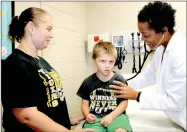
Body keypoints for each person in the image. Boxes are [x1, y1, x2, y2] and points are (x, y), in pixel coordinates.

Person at [1, 7, 95, 132]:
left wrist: (66, 120)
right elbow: (26, 115)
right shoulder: (16, 63)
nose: (52, 35)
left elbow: (47, 102)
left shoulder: (40, 61)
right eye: (48, 29)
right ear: (31, 27)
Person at [110, 1, 186, 131]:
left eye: (146, 35)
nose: (143, 40)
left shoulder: (182, 54)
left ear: (164, 30)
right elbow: (148, 77)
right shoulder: (161, 48)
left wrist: (137, 96)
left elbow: (174, 102)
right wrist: (119, 82)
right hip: (176, 119)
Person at [76, 41, 132, 132]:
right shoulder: (88, 82)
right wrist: (86, 115)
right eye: (102, 61)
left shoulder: (119, 80)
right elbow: (84, 103)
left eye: (111, 62)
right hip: (95, 119)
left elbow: (124, 103)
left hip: (116, 116)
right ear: (94, 60)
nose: (107, 66)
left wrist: (111, 116)